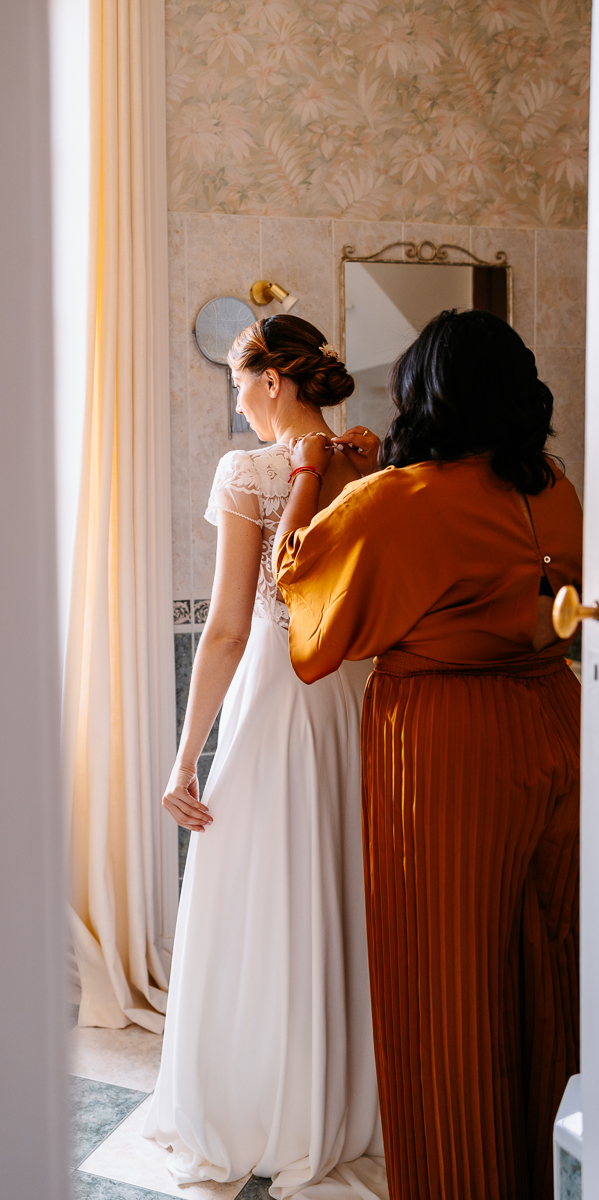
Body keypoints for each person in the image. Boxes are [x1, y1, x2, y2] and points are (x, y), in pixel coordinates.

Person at [273, 308, 581, 1200]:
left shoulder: (403, 499)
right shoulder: (553, 483)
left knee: (444, 988)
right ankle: (553, 1172)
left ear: (423, 393)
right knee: (549, 961)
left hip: (449, 750)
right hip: (559, 726)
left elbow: (303, 593)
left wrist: (326, 477)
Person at [143, 314, 386, 1199]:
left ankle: (257, 1106)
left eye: (239, 385)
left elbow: (228, 627)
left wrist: (184, 758)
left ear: (273, 383)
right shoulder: (369, 464)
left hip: (276, 702)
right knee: (332, 883)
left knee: (251, 890)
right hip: (350, 704)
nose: (237, 404)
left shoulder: (247, 471)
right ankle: (339, 1104)